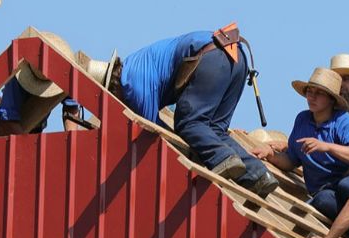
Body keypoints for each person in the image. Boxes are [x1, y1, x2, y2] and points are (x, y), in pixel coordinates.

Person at [112, 25, 275, 193]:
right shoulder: (139, 64)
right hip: (237, 58)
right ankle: (259, 175)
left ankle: (223, 157)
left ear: (113, 85)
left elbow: (151, 130)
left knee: (188, 122)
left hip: (213, 57)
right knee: (214, 130)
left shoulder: (131, 83)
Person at [258, 67, 349, 238]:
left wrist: (326, 146)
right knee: (322, 201)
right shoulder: (302, 119)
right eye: (310, 91)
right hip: (326, 192)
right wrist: (270, 156)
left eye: (319, 93)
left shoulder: (345, 121)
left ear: (332, 99)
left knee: (346, 185)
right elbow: (292, 160)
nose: (312, 97)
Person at [0, 62, 90, 135]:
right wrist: (29, 150)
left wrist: (71, 140)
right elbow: (7, 120)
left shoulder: (63, 73)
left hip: (34, 130)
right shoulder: (16, 80)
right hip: (4, 134)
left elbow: (71, 106)